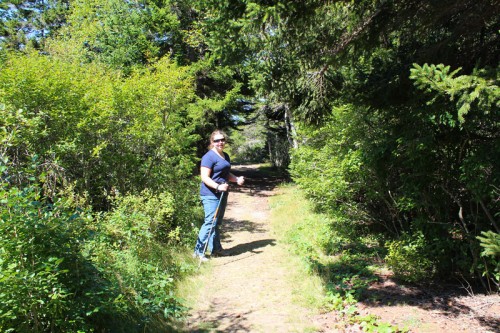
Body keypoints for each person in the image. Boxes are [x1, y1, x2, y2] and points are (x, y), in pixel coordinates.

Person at [193, 130, 245, 262]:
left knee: (216, 223)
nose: (220, 142)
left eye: (222, 140)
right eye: (217, 140)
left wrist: (236, 179)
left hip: (222, 193)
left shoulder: (225, 156)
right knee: (210, 222)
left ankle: (216, 249)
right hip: (210, 194)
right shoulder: (208, 157)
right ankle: (198, 252)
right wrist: (217, 186)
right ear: (212, 142)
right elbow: (204, 177)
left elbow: (225, 174)